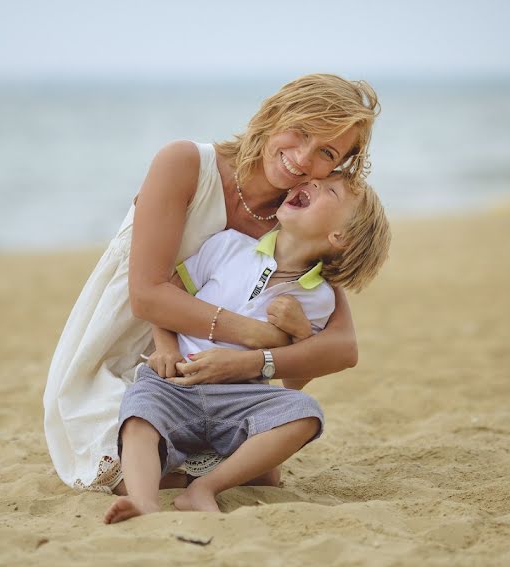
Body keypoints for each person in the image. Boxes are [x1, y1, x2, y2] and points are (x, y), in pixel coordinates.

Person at [43, 74, 380, 495]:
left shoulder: (297, 223)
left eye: (326, 152)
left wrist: (254, 362)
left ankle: (206, 469)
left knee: (259, 457)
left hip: (222, 379)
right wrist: (257, 335)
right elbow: (146, 295)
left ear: (338, 166)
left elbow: (339, 347)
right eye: (303, 131)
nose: (303, 157)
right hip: (126, 347)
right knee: (128, 465)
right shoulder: (185, 163)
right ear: (274, 114)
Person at [104, 174, 391, 523]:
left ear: (339, 237)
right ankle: (144, 501)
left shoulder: (319, 298)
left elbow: (295, 383)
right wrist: (165, 347)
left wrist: (302, 332)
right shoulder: (228, 246)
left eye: (329, 191)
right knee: (139, 415)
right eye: (314, 182)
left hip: (243, 396)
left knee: (305, 412)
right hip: (176, 382)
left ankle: (204, 489)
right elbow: (167, 300)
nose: (313, 184)